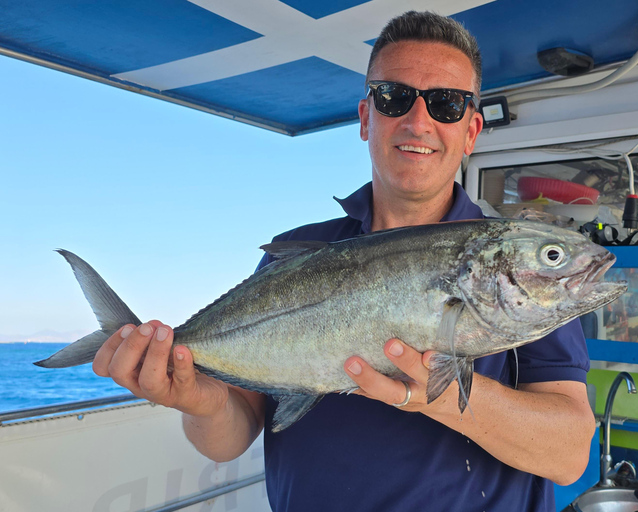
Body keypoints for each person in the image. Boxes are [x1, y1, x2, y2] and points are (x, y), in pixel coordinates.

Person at [92, 11, 595, 511]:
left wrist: (434, 396)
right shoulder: (294, 254)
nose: (419, 121)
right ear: (365, 117)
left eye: (446, 104)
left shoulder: (519, 272)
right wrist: (196, 400)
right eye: (394, 97)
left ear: (470, 131)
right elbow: (228, 437)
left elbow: (569, 454)